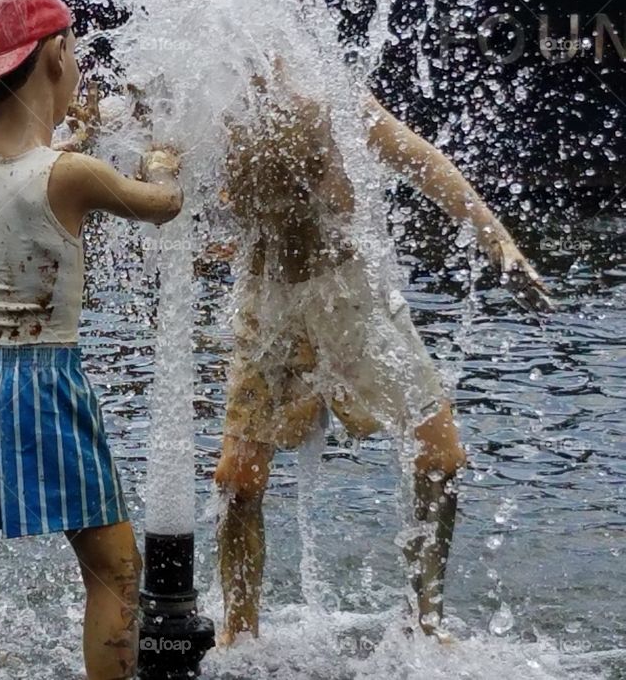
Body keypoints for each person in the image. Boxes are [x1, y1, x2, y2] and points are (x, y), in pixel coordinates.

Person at [0, 0, 183, 680]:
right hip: (41, 381)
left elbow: (25, 170)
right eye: (72, 49)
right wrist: (162, 162)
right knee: (114, 570)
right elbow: (162, 204)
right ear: (53, 54)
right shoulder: (73, 174)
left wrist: (73, 132)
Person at [212, 58, 551, 645]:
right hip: (266, 303)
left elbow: (424, 163)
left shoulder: (328, 91)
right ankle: (238, 636)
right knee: (238, 480)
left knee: (441, 457)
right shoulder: (209, 103)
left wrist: (499, 245)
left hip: (352, 297)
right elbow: (148, 160)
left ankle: (426, 624)